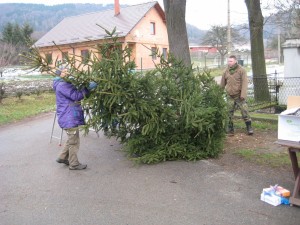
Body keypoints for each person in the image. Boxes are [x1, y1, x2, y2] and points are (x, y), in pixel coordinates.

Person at [53, 67, 97, 170]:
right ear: (60, 74)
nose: (68, 73)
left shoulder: (63, 83)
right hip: (69, 117)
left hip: (68, 115)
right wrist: (87, 88)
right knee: (74, 141)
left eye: (68, 71)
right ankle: (74, 164)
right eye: (65, 71)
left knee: (71, 139)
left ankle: (62, 157)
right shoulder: (63, 85)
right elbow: (76, 96)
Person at [220, 55, 253, 136]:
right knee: (229, 113)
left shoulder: (241, 70)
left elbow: (245, 83)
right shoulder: (226, 71)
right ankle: (230, 130)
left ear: (235, 61)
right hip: (230, 96)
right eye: (228, 61)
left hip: (239, 96)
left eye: (231, 61)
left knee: (244, 112)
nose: (229, 63)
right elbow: (222, 84)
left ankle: (249, 128)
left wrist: (243, 94)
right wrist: (219, 93)